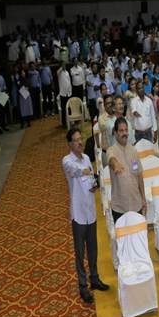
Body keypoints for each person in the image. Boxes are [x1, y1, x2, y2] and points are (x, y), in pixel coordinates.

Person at [62, 127, 109, 304]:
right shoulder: (67, 161)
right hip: (78, 213)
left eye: (81, 139)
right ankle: (83, 286)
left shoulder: (88, 158)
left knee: (93, 248)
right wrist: (86, 172)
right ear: (70, 143)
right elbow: (75, 170)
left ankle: (94, 278)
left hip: (90, 209)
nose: (80, 142)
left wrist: (94, 184)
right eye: (76, 140)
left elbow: (89, 180)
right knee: (80, 252)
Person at [107, 117, 147, 222]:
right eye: (121, 131)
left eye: (126, 130)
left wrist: (143, 198)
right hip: (120, 208)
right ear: (115, 133)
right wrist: (115, 164)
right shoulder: (111, 151)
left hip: (136, 204)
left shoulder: (133, 151)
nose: (124, 133)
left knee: (137, 237)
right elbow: (111, 159)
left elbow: (139, 175)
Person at [58, 62, 73, 127]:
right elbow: (58, 72)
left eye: (65, 65)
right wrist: (61, 67)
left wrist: (70, 90)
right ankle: (64, 123)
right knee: (64, 109)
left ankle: (70, 121)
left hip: (68, 93)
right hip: (63, 94)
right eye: (63, 65)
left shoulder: (67, 72)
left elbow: (69, 82)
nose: (64, 66)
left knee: (69, 108)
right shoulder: (59, 72)